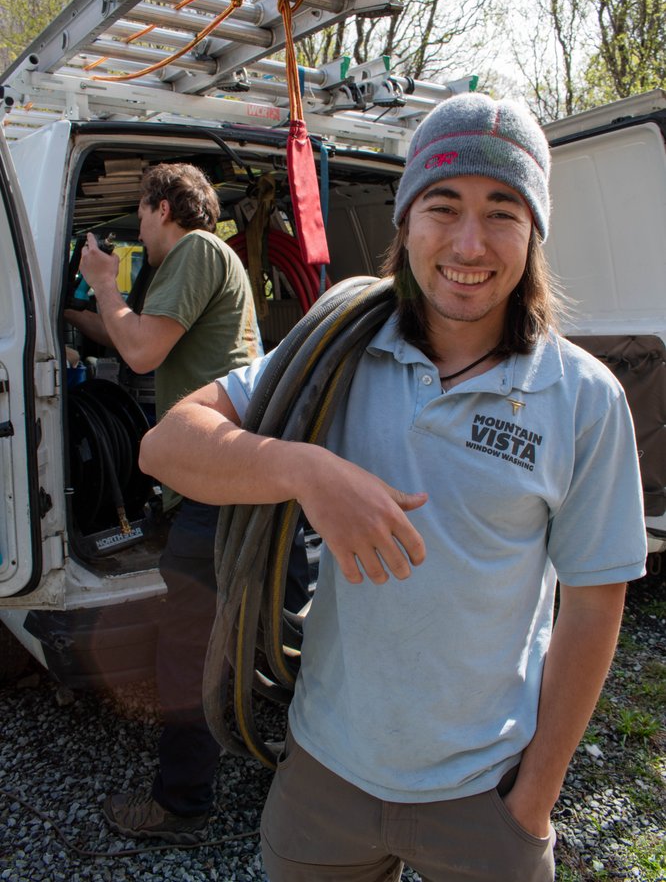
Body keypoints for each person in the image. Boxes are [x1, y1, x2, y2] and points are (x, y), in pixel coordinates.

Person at [138, 95, 647, 881]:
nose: (469, 243)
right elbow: (164, 445)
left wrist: (533, 801)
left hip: (484, 793)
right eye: (442, 206)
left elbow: (592, 605)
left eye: (502, 212)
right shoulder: (335, 352)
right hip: (323, 778)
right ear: (405, 222)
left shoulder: (582, 399)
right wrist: (305, 470)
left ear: (535, 234)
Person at [65, 162, 261, 843]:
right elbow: (129, 335)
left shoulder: (197, 250)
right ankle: (275, 755)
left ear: (165, 207)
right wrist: (80, 313)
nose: (140, 229)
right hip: (221, 480)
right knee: (231, 632)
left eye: (142, 215)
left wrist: (104, 281)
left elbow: (142, 353)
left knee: (188, 648)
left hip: (215, 480)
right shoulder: (205, 263)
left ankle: (182, 806)